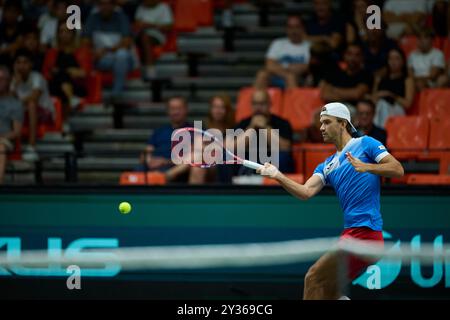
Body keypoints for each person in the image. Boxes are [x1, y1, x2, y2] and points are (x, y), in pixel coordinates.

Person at [257, 102, 404, 300]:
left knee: (313, 278)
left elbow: (397, 169)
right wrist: (278, 176)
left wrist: (367, 167)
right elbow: (306, 192)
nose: (321, 128)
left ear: (343, 123)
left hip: (365, 233)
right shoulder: (326, 165)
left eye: (327, 122)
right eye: (321, 123)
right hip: (353, 233)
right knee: (328, 291)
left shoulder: (366, 143)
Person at [82, 0, 137, 102]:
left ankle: (116, 94)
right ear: (98, 6)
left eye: (108, 4)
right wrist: (93, 52)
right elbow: (85, 41)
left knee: (121, 55)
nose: (105, 7)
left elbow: (126, 42)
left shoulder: (122, 18)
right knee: (118, 61)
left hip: (124, 59)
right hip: (102, 59)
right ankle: (116, 95)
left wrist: (106, 50)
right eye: (102, 4)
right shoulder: (92, 18)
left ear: (113, 5)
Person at [233, 89, 294, 174]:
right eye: (255, 104)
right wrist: (251, 128)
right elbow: (232, 148)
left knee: (283, 158)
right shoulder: (244, 123)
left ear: (269, 104)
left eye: (262, 104)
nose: (258, 107)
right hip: (248, 162)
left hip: (273, 162)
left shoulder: (282, 123)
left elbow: (285, 148)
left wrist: (265, 127)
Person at [10, 49, 54, 161]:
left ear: (31, 64)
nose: (21, 66)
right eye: (18, 62)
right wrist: (15, 85)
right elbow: (8, 101)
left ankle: (31, 147)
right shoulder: (13, 80)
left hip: (44, 114)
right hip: (23, 114)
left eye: (25, 62)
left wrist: (16, 102)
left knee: (31, 104)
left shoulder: (37, 77)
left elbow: (34, 97)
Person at [43, 21, 88, 128]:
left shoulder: (81, 51)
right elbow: (46, 73)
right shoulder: (52, 52)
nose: (64, 34)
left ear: (73, 34)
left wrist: (63, 71)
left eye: (67, 32)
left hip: (77, 86)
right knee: (60, 79)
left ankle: (63, 120)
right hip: (55, 85)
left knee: (61, 76)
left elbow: (84, 73)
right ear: (57, 34)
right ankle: (71, 101)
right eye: (61, 31)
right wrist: (69, 71)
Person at [137, 96, 192, 183]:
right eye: (172, 109)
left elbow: (194, 157)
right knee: (138, 171)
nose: (176, 112)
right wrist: (150, 161)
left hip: (175, 169)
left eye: (179, 108)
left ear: (186, 109)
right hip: (152, 167)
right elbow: (146, 152)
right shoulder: (159, 131)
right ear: (168, 111)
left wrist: (165, 162)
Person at [189, 94, 236, 184]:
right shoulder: (203, 129)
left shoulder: (232, 130)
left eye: (222, 107)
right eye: (215, 107)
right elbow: (196, 149)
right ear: (210, 109)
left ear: (227, 111)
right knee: (197, 166)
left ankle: (169, 174)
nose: (218, 110)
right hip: (203, 163)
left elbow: (223, 149)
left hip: (222, 166)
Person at [254, 14, 311, 89]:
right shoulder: (278, 43)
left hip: (299, 78)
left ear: (303, 28)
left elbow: (308, 67)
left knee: (292, 78)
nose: (293, 30)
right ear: (286, 29)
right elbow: (269, 65)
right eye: (290, 27)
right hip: (277, 76)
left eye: (297, 26)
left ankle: (294, 100)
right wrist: (287, 72)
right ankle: (256, 100)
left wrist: (281, 67)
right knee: (262, 74)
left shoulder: (309, 46)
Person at [319, 43, 372, 111]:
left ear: (362, 57)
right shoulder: (335, 73)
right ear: (344, 55)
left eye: (357, 55)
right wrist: (349, 95)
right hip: (332, 108)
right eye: (349, 54)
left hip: (354, 111)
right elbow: (325, 95)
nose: (353, 58)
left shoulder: (365, 75)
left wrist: (333, 90)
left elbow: (357, 94)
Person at [372, 47, 415, 128]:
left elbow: (407, 104)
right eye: (391, 58)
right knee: (379, 105)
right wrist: (379, 94)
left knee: (383, 105)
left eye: (397, 58)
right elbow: (373, 99)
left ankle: (380, 132)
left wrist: (390, 95)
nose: (393, 62)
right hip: (379, 108)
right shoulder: (381, 78)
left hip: (398, 109)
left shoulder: (407, 80)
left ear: (403, 61)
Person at [134, 0, 173, 80]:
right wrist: (140, 25)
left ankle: (150, 72)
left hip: (157, 35)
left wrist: (151, 25)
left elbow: (169, 27)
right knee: (132, 38)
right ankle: (134, 72)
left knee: (145, 38)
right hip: (140, 34)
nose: (145, 2)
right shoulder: (141, 7)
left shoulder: (163, 7)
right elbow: (137, 23)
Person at [0, 65, 23, 184]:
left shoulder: (15, 104)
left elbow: (16, 132)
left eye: (2, 79)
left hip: (4, 140)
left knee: (0, 148)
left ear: (8, 81)